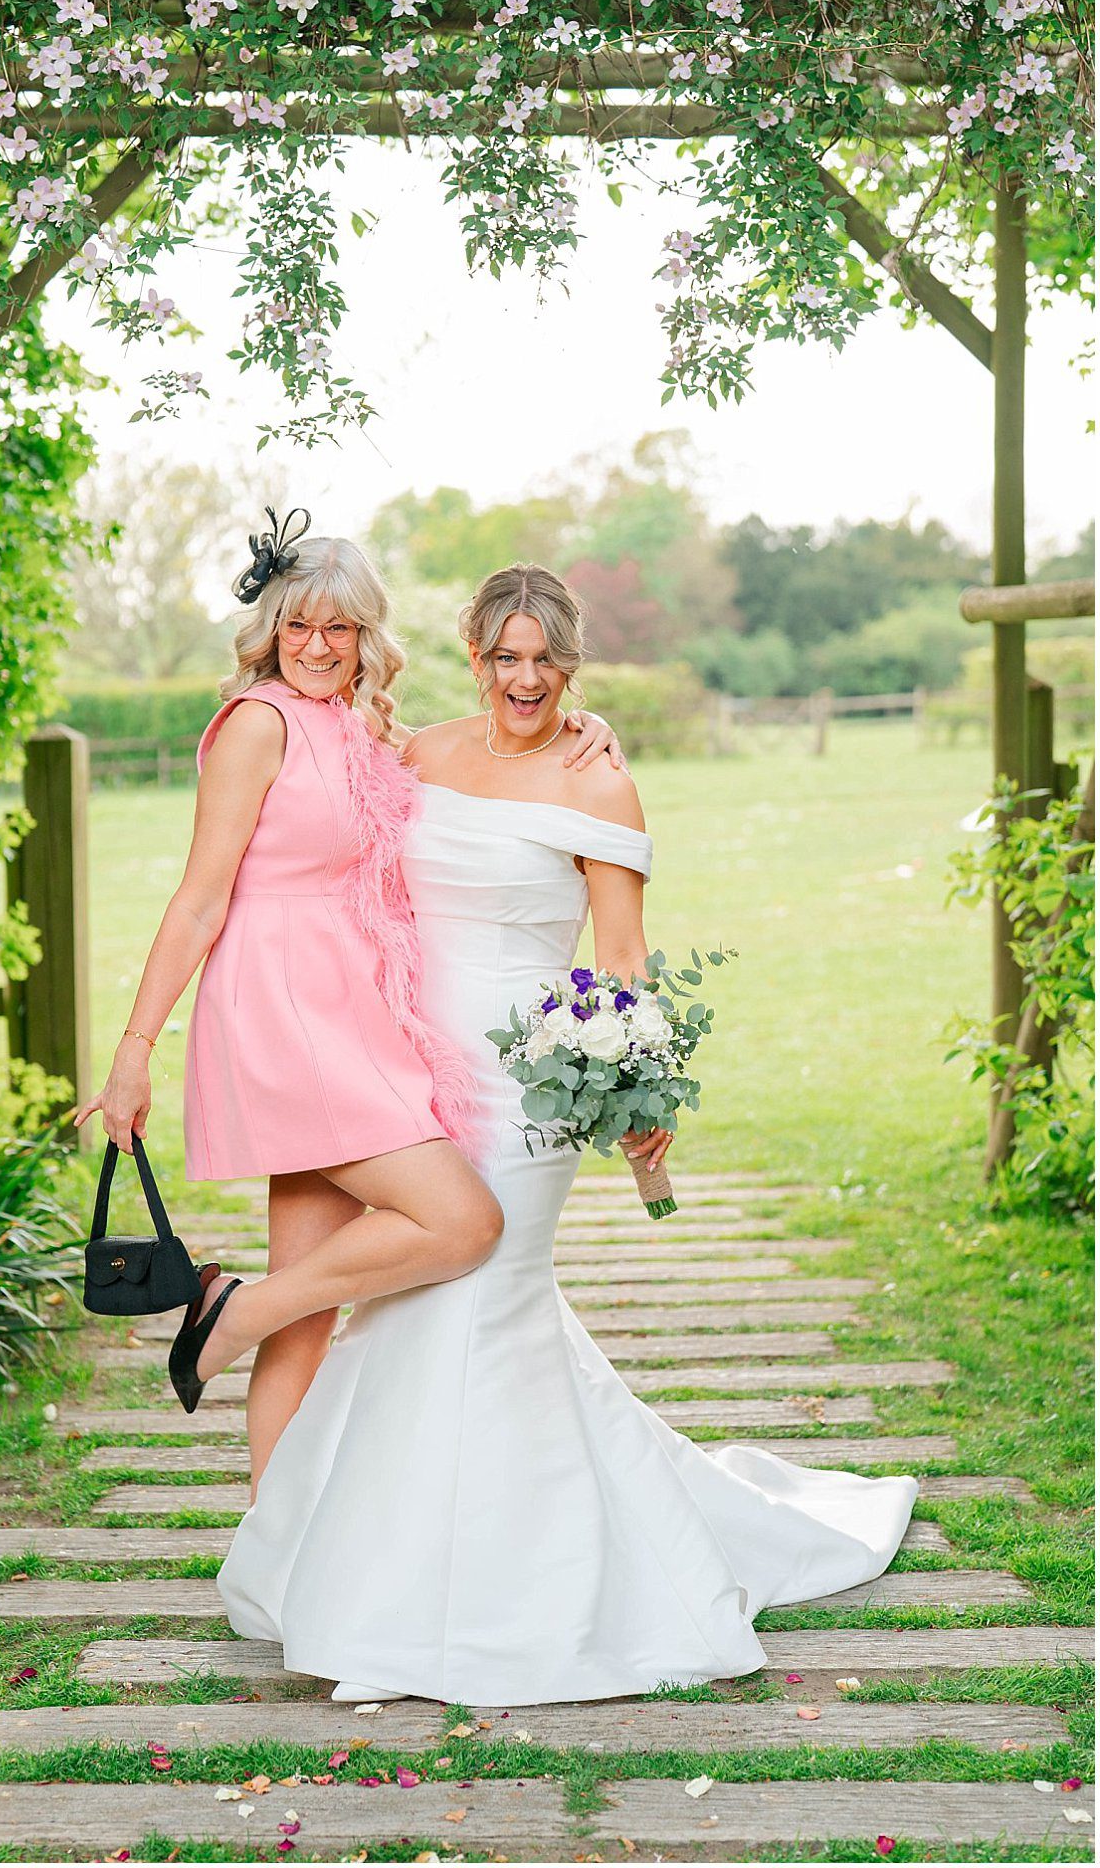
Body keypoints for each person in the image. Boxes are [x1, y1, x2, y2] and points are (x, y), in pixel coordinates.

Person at [216, 562, 918, 1707]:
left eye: (546, 658)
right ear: (474, 655)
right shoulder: (414, 752)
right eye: (505, 655)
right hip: (405, 1069)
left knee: (485, 1295)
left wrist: (638, 1089)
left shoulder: (600, 781)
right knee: (408, 1311)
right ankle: (370, 1570)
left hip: (528, 1084)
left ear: (572, 664)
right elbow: (320, 791)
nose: (526, 677)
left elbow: (622, 958)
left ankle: (492, 1595)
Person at [74, 518, 622, 1429]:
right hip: (285, 1014)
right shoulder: (258, 724)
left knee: (305, 1311)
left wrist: (578, 724)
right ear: (271, 631)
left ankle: (273, 1517)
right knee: (463, 1221)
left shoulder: (358, 726)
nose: (318, 647)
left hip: (359, 1013)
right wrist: (135, 1048)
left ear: (367, 634)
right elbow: (199, 900)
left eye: (339, 628)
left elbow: (486, 747)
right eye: (298, 626)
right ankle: (231, 1311)